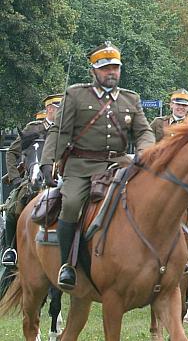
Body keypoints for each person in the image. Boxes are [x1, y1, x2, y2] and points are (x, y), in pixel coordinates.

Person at [41, 42, 155, 290]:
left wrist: (144, 153)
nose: (111, 72)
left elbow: (144, 132)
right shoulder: (75, 95)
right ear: (93, 71)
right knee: (70, 204)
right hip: (81, 166)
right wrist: (47, 161)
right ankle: (66, 265)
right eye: (105, 68)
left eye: (115, 67)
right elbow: (59, 133)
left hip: (119, 164)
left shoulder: (130, 98)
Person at [1, 94, 62, 267]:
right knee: (13, 208)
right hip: (34, 178)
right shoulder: (34, 129)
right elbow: (12, 152)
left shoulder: (67, 130)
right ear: (50, 109)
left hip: (60, 178)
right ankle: (10, 250)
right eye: (59, 108)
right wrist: (15, 179)